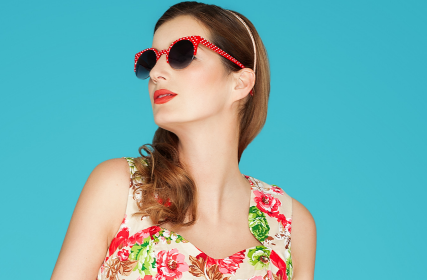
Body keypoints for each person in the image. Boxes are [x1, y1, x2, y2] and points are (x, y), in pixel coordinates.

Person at [52, 2, 316, 279]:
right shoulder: (120, 188)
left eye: (182, 53)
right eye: (151, 60)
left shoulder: (292, 226)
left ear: (240, 83)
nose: (156, 73)